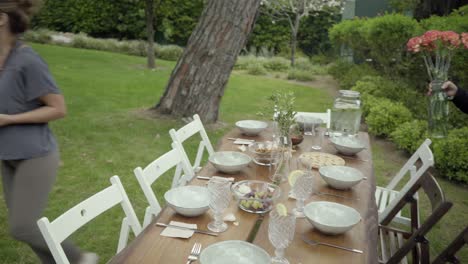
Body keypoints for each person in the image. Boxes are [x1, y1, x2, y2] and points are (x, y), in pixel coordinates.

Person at [0, 1, 97, 263]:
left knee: (23, 227)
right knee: (27, 228)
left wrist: (8, 119)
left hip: (35, 155)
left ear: (2, 19)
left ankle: (80, 260)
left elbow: (58, 108)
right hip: (7, 156)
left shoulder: (27, 60)